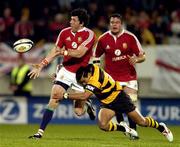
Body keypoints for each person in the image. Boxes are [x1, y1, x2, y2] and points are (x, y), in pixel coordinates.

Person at [28, 8, 96, 139]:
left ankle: (86, 102)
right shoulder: (64, 32)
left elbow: (79, 53)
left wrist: (63, 52)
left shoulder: (89, 34)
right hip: (65, 70)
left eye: (73, 20)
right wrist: (42, 65)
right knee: (54, 97)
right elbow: (55, 50)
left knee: (78, 112)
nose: (70, 21)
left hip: (81, 75)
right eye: (70, 19)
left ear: (81, 23)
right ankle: (39, 132)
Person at [62, 64, 173, 142]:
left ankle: (161, 127)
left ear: (88, 75)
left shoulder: (95, 79)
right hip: (107, 102)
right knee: (103, 125)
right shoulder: (90, 69)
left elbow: (84, 95)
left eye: (84, 81)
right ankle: (125, 128)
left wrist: (65, 95)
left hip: (120, 98)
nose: (84, 84)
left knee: (142, 122)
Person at [93, 13, 145, 139]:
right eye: (112, 22)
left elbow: (142, 56)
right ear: (109, 24)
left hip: (129, 78)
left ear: (121, 24)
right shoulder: (103, 39)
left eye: (117, 22)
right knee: (115, 105)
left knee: (130, 107)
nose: (114, 25)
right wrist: (97, 70)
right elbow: (96, 56)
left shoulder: (130, 37)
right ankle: (124, 126)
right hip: (111, 80)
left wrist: (136, 60)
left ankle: (132, 131)